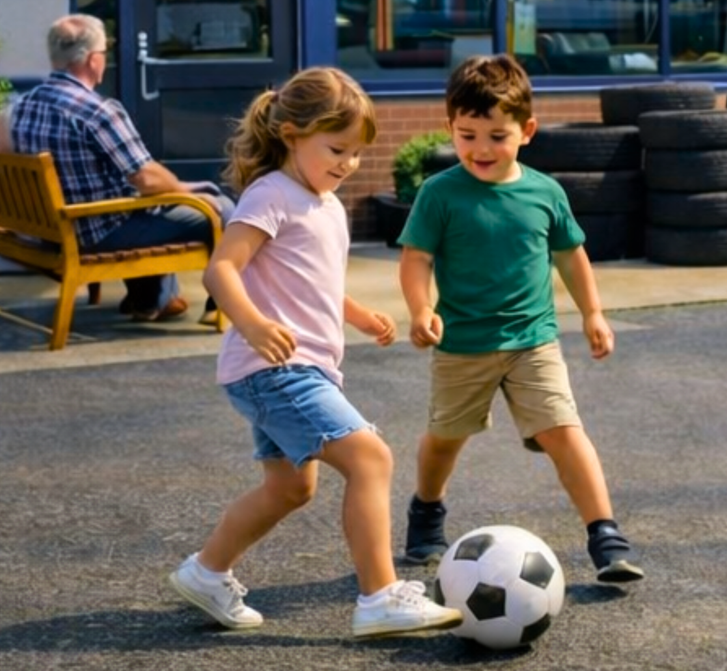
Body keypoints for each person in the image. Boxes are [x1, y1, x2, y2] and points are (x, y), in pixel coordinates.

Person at [166, 67, 463, 638]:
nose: (348, 164)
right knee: (371, 458)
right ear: (291, 134)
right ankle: (379, 597)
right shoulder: (271, 194)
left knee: (290, 488)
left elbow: (310, 280)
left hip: (298, 368)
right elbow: (221, 269)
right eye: (336, 149)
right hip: (276, 368)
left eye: (356, 152)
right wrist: (252, 324)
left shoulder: (325, 204)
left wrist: (359, 314)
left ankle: (206, 572)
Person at [397, 54, 643, 585]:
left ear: (526, 131)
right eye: (467, 136)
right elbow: (416, 258)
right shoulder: (440, 193)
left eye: (497, 136)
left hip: (533, 340)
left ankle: (605, 535)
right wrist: (420, 308)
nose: (481, 149)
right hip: (463, 343)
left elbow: (571, 255)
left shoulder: (545, 193)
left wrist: (593, 312)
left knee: (564, 431)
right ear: (449, 128)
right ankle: (427, 508)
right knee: (445, 438)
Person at [0, 14, 229, 323]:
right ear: (93, 60)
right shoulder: (97, 111)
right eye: (104, 53)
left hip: (49, 229)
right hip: (92, 232)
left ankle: (151, 299)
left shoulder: (20, 107)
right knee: (221, 209)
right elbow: (146, 178)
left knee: (149, 203)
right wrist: (185, 190)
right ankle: (221, 304)